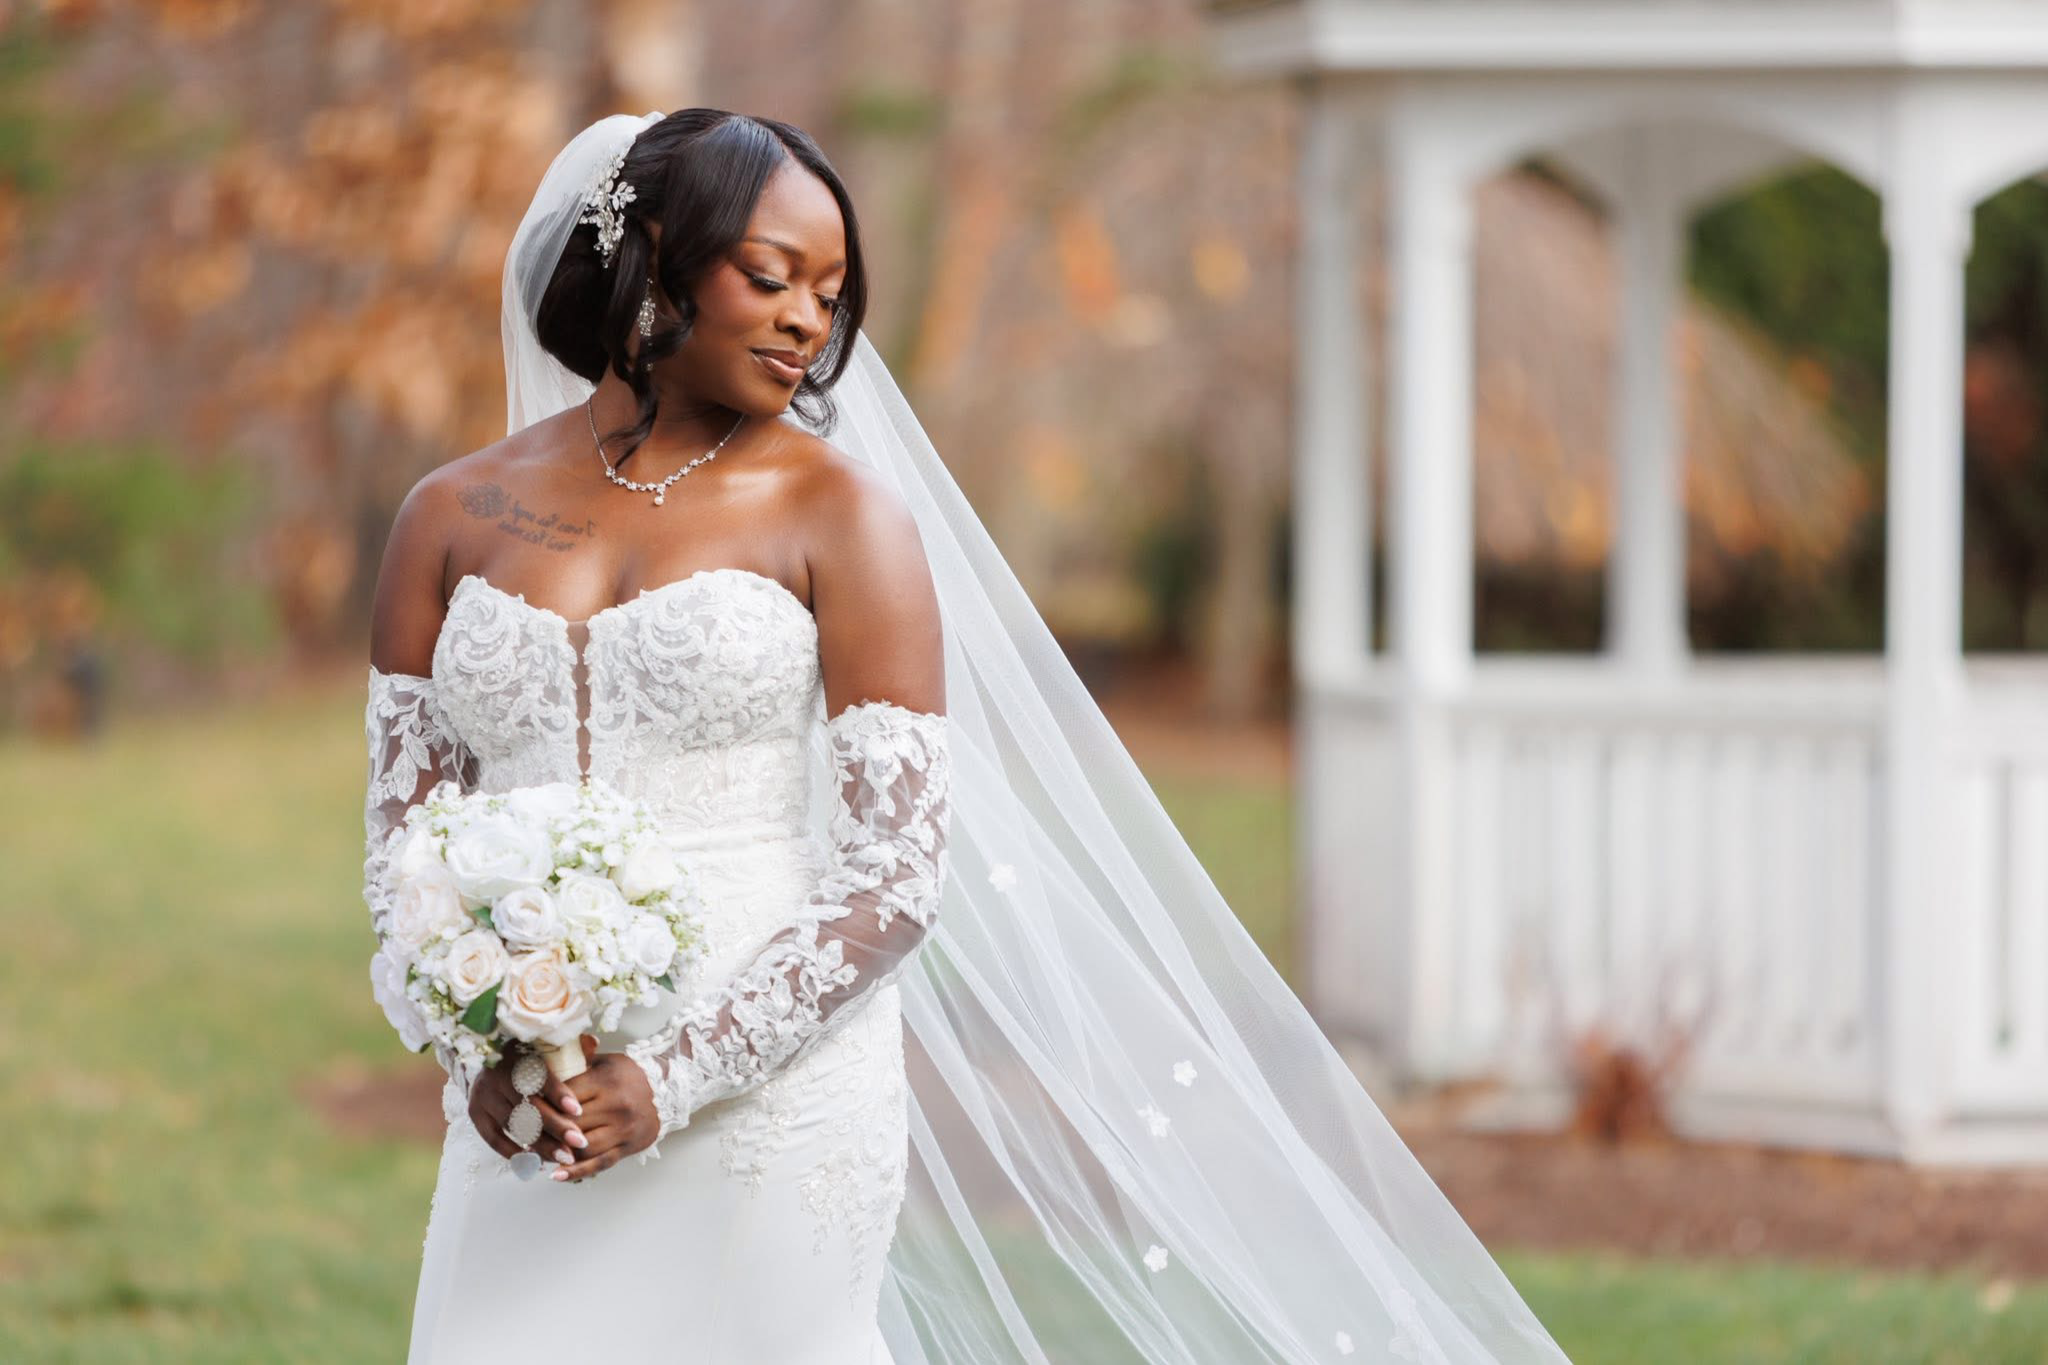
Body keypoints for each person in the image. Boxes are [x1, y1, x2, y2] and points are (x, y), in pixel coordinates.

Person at [363, 108, 1571, 1363]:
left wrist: (669, 1079)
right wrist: (490, 1057)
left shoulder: (845, 519)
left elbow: (893, 875)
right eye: (769, 278)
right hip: (531, 1104)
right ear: (653, 255)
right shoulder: (451, 514)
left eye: (830, 296)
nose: (805, 323)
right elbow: (406, 840)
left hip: (765, 1095)